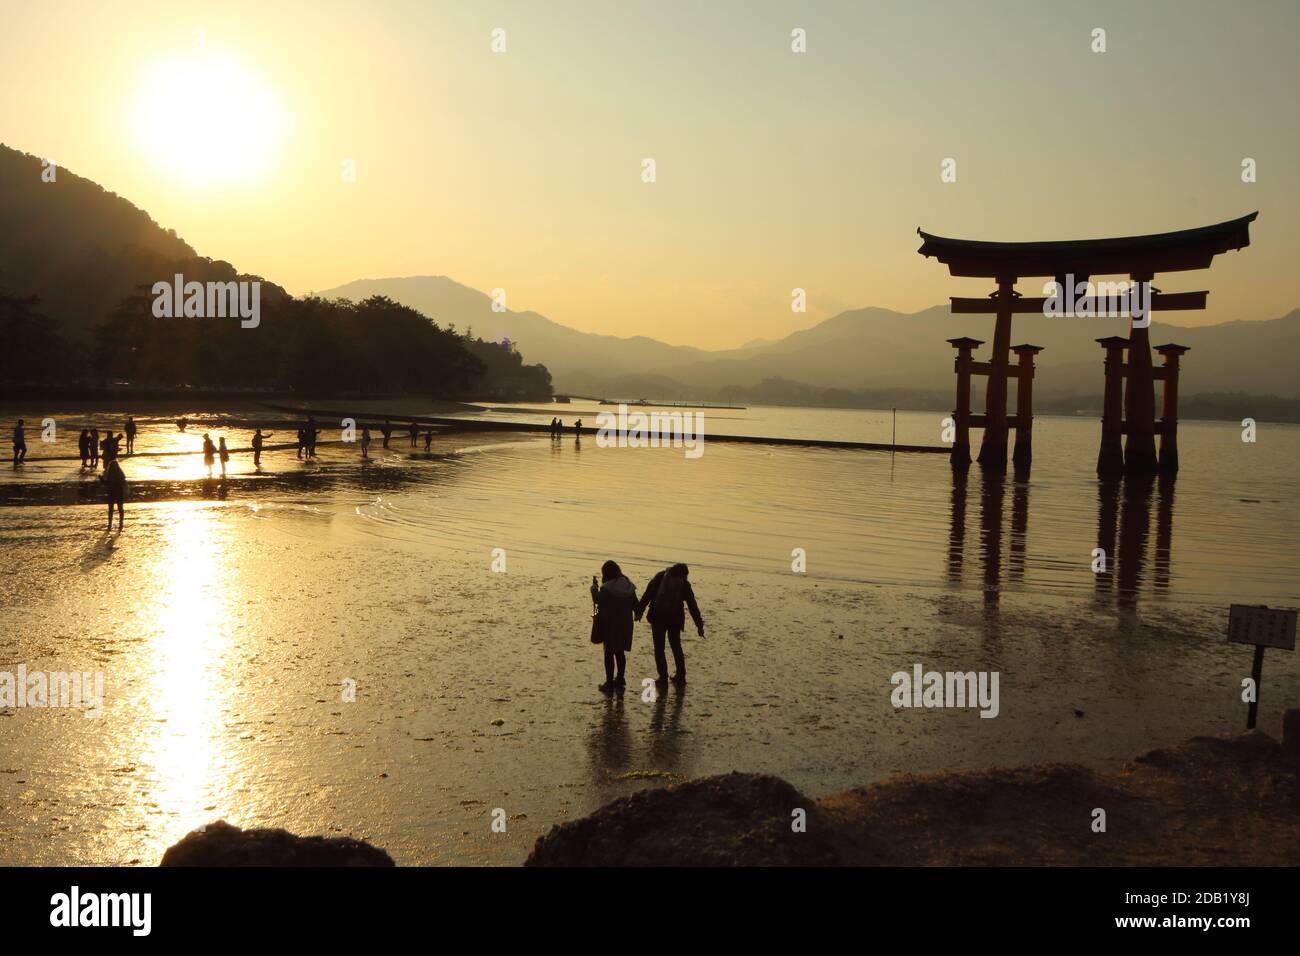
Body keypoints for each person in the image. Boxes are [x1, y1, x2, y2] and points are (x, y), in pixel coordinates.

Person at [637, 563, 705, 687]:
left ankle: (663, 677)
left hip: (658, 618)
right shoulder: (684, 584)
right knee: (676, 647)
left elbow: (648, 595)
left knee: (659, 648)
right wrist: (699, 625)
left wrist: (639, 611)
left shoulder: (660, 577)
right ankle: (681, 675)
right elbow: (692, 605)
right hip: (675, 619)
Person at [591, 560, 639, 693]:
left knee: (609, 652)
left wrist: (594, 588)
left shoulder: (606, 588)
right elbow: (636, 605)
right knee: (620, 651)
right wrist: (638, 614)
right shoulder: (628, 586)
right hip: (626, 624)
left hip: (610, 623)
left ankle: (609, 682)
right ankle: (620, 678)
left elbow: (598, 600)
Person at [102, 459, 127, 531]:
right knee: (120, 509)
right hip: (119, 493)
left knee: (111, 509)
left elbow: (107, 483)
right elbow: (123, 483)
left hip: (111, 493)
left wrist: (101, 479)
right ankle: (121, 524)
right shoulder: (120, 474)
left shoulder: (110, 474)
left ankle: (110, 524)